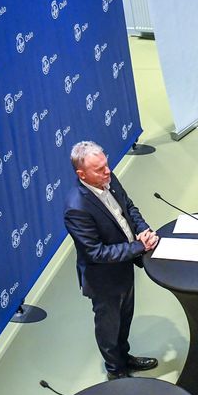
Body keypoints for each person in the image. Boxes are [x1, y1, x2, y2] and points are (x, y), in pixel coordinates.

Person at [64, 141, 160, 380]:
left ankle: (124, 358)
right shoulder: (77, 208)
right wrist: (139, 247)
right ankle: (115, 372)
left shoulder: (108, 178)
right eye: (99, 169)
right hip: (103, 280)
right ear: (82, 174)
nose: (107, 171)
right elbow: (95, 252)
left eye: (106, 165)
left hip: (124, 267)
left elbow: (128, 208)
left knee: (125, 319)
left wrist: (143, 230)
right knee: (109, 327)